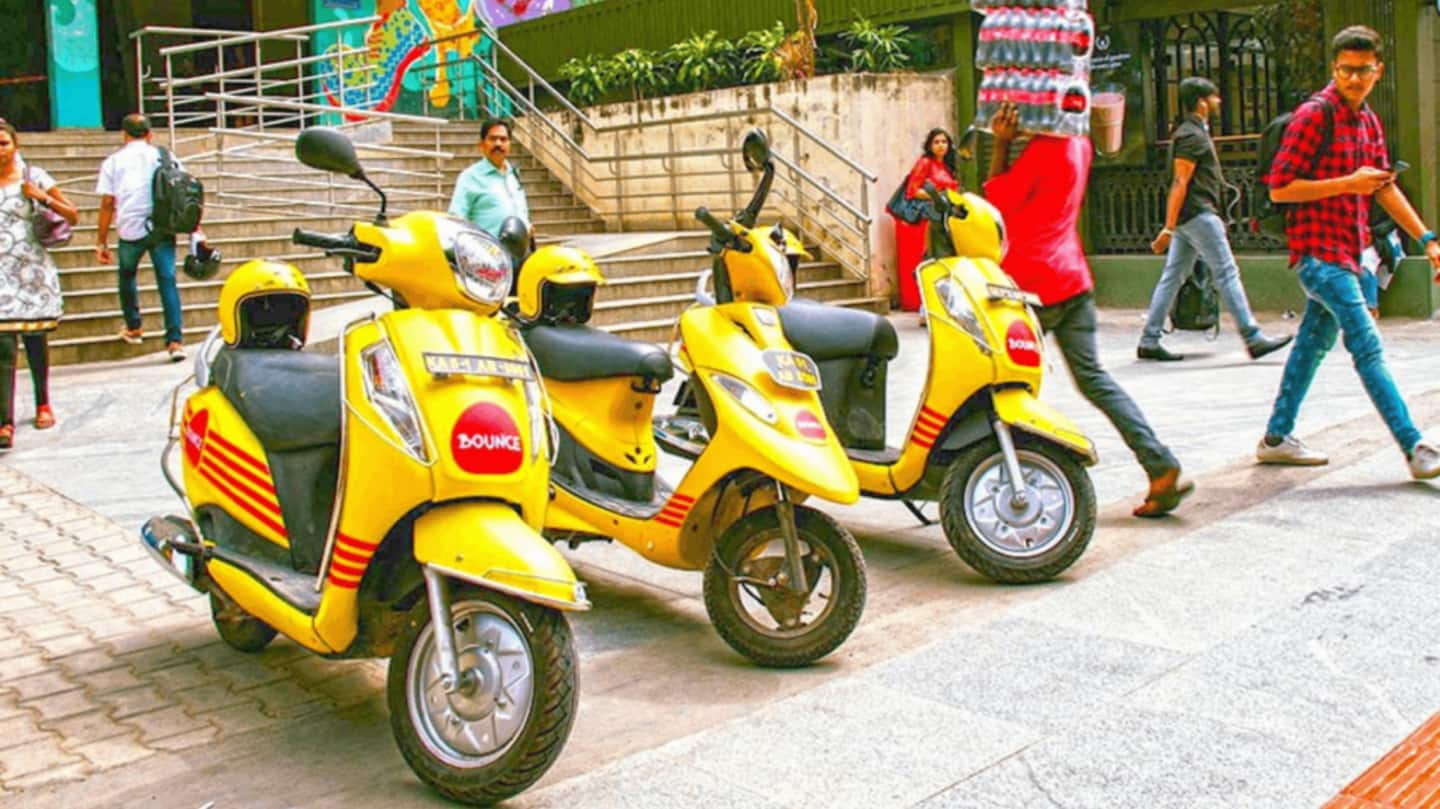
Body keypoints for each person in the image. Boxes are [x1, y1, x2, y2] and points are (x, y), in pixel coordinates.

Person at [985, 102, 1192, 518]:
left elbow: (996, 202)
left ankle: (1000, 479)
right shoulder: (1080, 143)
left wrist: (1001, 144)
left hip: (1032, 285)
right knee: (1095, 380)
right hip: (1073, 278)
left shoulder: (1043, 149)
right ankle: (1159, 463)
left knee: (1001, 383)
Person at [1256, 25, 1440, 479]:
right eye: (1346, 70)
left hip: (1350, 251)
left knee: (1312, 345)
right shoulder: (1314, 116)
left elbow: (1384, 188)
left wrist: (1427, 239)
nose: (1354, 79)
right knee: (1368, 347)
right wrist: (1347, 184)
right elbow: (1280, 189)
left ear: (1377, 71)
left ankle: (1276, 439)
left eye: (1363, 70)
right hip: (1317, 254)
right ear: (1334, 69)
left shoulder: (1368, 120)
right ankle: (1414, 446)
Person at [1140, 77, 1293, 362]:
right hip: (1198, 214)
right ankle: (1252, 336)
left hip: (1191, 217)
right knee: (1226, 272)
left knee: (1172, 277)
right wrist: (1168, 227)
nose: (1218, 102)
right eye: (1214, 97)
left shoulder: (1190, 132)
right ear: (1201, 102)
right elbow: (1180, 182)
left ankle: (1149, 339)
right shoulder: (1191, 136)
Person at [0, 120, 79, 450]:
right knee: (3, 348)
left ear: (15, 145)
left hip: (32, 272)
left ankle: (42, 402)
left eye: (3, 142)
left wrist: (42, 198)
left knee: (34, 339)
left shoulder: (35, 176)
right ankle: (4, 421)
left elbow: (72, 215)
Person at [95, 114, 187, 362]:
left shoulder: (113, 161)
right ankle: (175, 341)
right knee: (167, 281)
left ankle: (134, 326)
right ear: (150, 134)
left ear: (124, 135)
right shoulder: (165, 156)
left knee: (127, 277)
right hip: (162, 228)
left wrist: (101, 240)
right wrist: (195, 229)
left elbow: (107, 203)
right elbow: (183, 193)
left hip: (130, 229)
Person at [889, 128, 960, 318]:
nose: (940, 145)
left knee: (943, 260)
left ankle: (936, 306)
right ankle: (925, 308)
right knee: (931, 259)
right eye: (936, 142)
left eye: (944, 142)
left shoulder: (947, 166)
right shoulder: (925, 163)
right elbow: (913, 191)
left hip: (944, 218)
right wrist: (937, 197)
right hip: (930, 218)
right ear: (930, 145)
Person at [449, 117, 530, 242]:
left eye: (503, 139)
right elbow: (455, 220)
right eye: (492, 139)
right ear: (481, 144)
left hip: (521, 252)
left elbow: (521, 211)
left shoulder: (513, 175)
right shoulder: (470, 177)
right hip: (488, 256)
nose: (498, 144)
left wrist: (527, 226)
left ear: (509, 144)